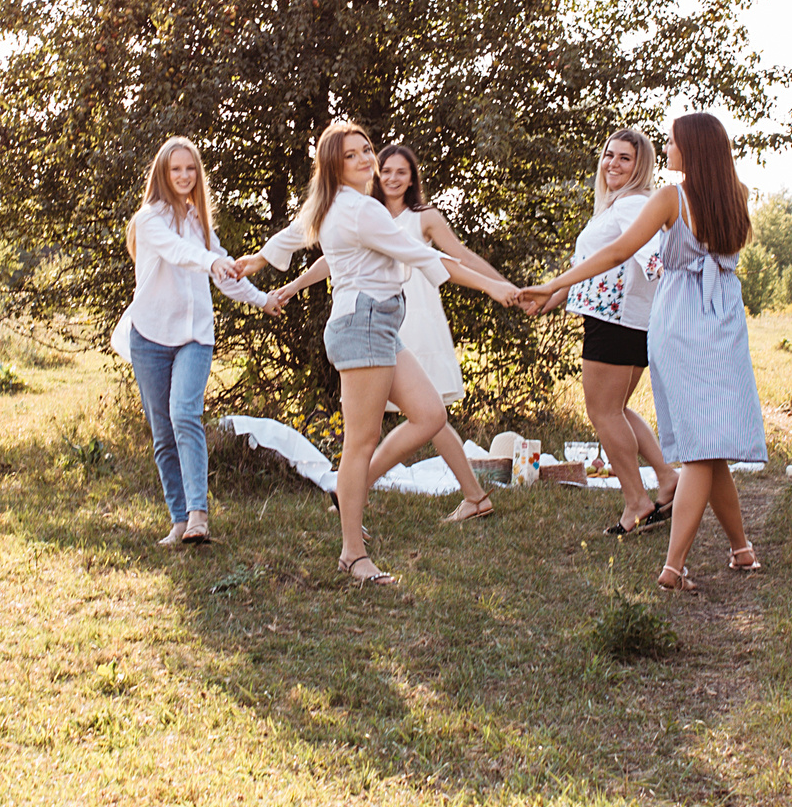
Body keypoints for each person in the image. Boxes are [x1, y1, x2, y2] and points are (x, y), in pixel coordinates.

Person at [240, 121, 516, 585]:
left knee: (429, 415)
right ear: (333, 164)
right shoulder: (357, 209)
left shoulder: (337, 205)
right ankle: (353, 553)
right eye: (353, 155)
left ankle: (351, 499)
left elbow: (293, 234)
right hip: (363, 323)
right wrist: (491, 285)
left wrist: (259, 261)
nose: (366, 159)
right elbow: (424, 257)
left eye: (366, 149)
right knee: (360, 444)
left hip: (380, 321)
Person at [524, 112, 765, 592]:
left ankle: (673, 568)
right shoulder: (734, 197)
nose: (667, 149)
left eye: (673, 143)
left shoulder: (670, 198)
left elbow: (618, 253)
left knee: (701, 448)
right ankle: (741, 550)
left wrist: (555, 283)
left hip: (680, 321)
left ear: (692, 151)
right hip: (722, 320)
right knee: (710, 442)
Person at [268, 142, 500, 523]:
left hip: (418, 317)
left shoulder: (420, 216)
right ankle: (367, 497)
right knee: (415, 420)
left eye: (400, 172)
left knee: (430, 414)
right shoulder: (359, 210)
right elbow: (332, 256)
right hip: (381, 318)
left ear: (412, 180)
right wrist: (293, 286)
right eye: (387, 170)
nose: (391, 177)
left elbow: (455, 256)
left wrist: (499, 284)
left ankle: (364, 492)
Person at [113, 137, 267, 548]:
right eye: (176, 169)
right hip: (149, 336)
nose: (184, 176)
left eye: (191, 169)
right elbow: (179, 252)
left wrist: (263, 299)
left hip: (195, 336)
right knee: (163, 431)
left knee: (184, 414)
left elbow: (225, 273)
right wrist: (210, 258)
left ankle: (199, 513)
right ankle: (179, 520)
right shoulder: (148, 220)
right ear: (163, 174)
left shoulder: (200, 223)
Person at [530, 127, 672, 536]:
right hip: (623, 321)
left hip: (616, 321)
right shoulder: (617, 206)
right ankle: (666, 478)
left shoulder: (632, 206)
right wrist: (547, 298)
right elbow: (588, 273)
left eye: (624, 158)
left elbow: (646, 257)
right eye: (609, 155)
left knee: (603, 412)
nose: (613, 163)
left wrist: (659, 272)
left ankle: (637, 502)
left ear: (640, 165)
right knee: (619, 410)